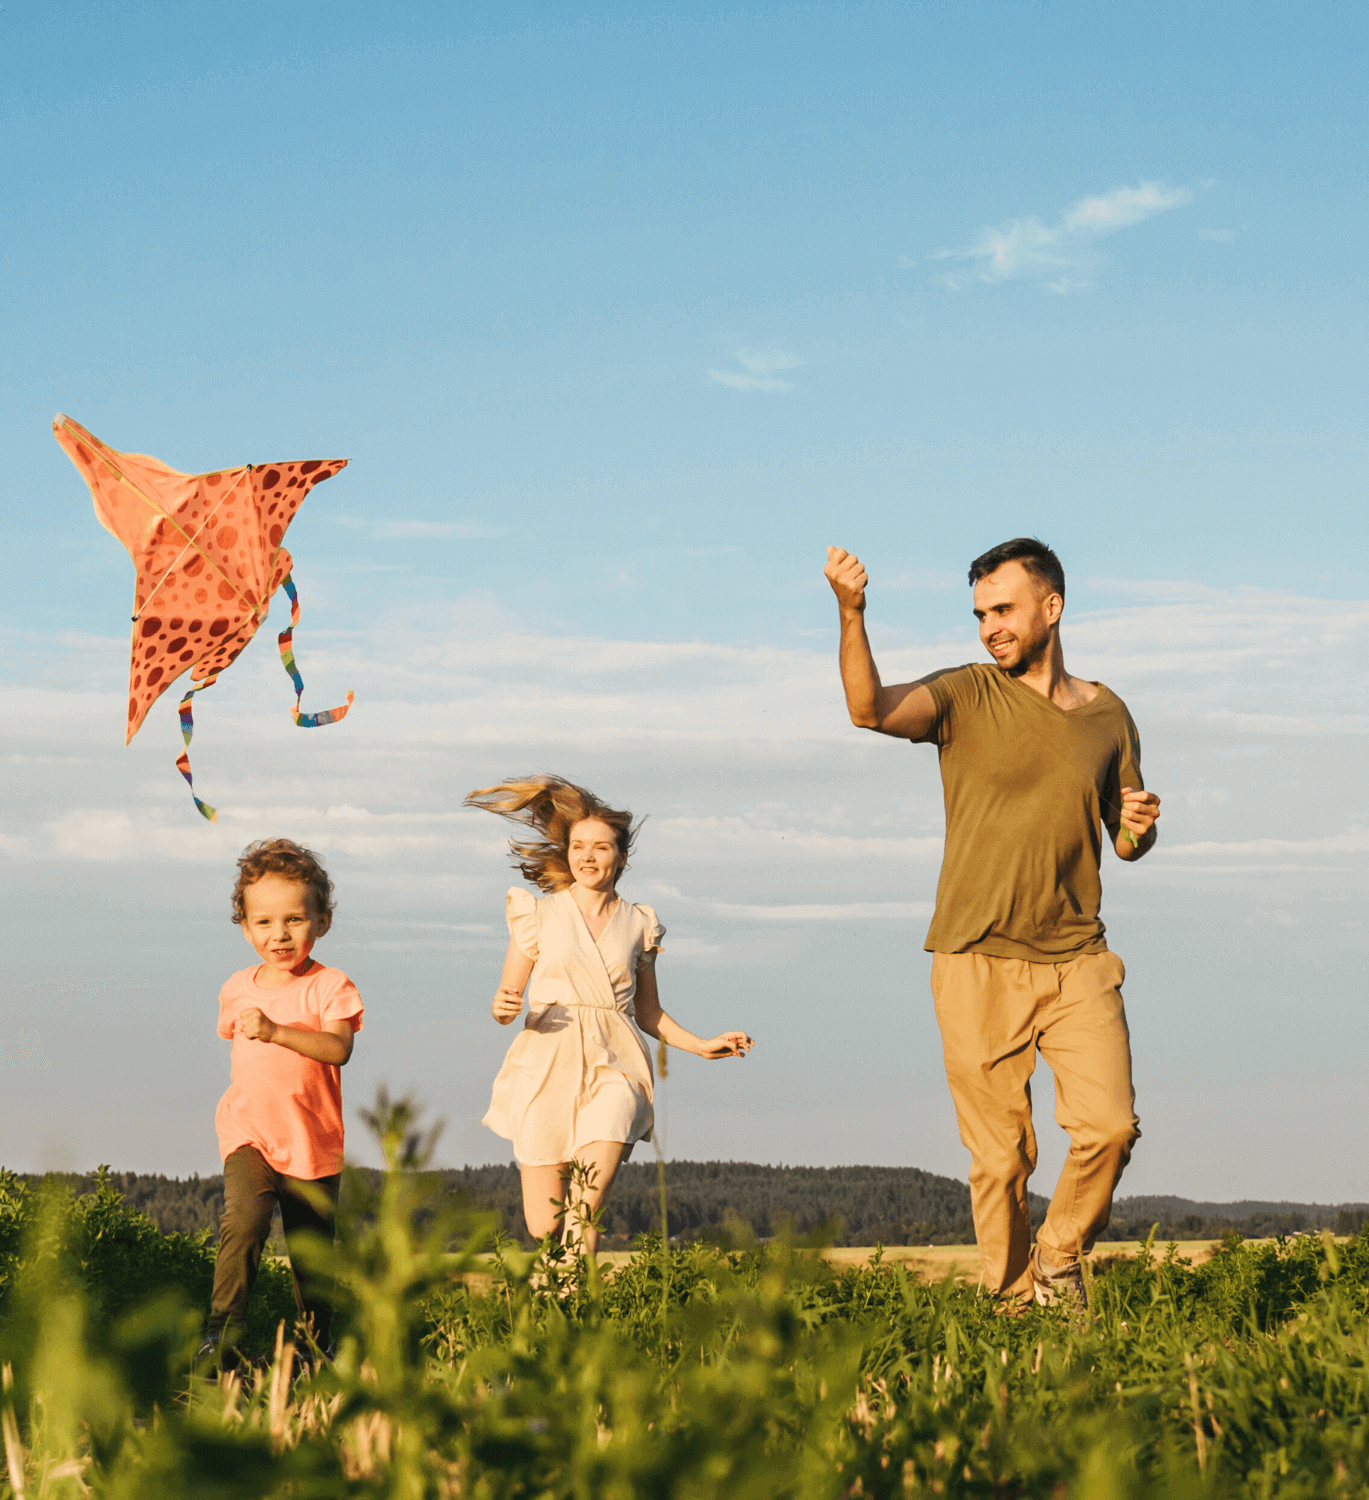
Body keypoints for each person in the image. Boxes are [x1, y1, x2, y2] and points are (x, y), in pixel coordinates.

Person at [824, 537, 1161, 1307]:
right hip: (975, 958)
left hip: (1077, 954)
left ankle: (1059, 1255)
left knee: (1109, 1126)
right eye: (980, 614)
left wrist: (1140, 824)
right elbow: (867, 709)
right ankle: (1013, 1316)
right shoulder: (967, 694)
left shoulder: (1110, 714)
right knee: (1003, 1163)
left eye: (1003, 610)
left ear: (1053, 606)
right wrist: (852, 613)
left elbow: (1129, 841)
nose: (989, 628)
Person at [465, 775, 754, 1255]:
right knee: (544, 1226)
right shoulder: (536, 916)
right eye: (579, 846)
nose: (587, 857)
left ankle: (578, 1312)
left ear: (621, 856)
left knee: (584, 1209)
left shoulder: (640, 923)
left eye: (600, 847)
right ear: (567, 851)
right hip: (545, 1063)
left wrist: (701, 1045)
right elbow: (505, 998)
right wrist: (502, 1007)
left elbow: (649, 1012)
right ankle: (554, 1305)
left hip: (614, 1064)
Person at [197, 838, 363, 1366]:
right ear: (245, 928)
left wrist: (276, 1030)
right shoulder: (235, 988)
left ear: (323, 921)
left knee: (311, 1256)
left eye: (295, 919)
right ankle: (221, 1338)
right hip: (250, 1133)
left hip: (312, 1143)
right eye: (264, 922)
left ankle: (315, 1348)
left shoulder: (330, 986)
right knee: (244, 1221)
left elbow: (337, 1048)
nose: (280, 934)